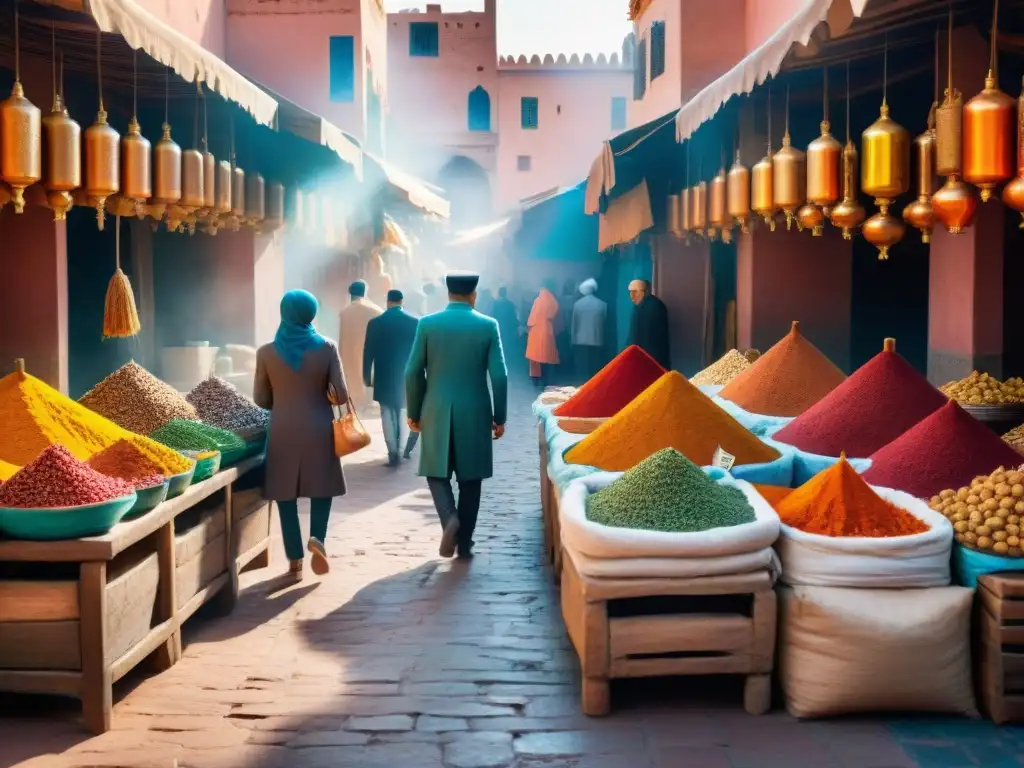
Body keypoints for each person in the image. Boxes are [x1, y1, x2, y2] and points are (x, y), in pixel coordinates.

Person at [405, 273, 508, 559]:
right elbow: (499, 376)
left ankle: (449, 518)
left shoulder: (427, 324)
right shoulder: (488, 326)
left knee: (436, 473)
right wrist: (500, 416)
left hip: (435, 409)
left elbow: (412, 371)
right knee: (470, 479)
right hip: (475, 410)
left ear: (448, 295)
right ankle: (464, 544)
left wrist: (414, 411)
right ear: (474, 295)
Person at [254, 290, 347, 582]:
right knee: (322, 488)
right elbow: (341, 395)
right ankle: (317, 538)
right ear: (312, 313)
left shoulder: (266, 352)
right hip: (320, 427)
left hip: (283, 429)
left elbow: (260, 398)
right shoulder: (327, 347)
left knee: (285, 495)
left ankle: (294, 561)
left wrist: (282, 399)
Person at [363, 289, 420, 467]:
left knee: (386, 412)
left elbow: (368, 353)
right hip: (407, 375)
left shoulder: (375, 323)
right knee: (404, 411)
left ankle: (393, 452)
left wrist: (366, 375)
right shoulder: (415, 322)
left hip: (383, 374)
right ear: (402, 302)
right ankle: (404, 448)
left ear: (387, 302)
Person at [338, 280, 382, 412]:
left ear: (350, 292)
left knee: (352, 382)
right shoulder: (376, 310)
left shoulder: (344, 312)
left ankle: (353, 407)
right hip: (370, 354)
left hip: (348, 353)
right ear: (365, 291)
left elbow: (342, 337)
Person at [627, 279, 670, 369]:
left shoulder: (641, 309)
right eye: (630, 292)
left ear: (646, 292)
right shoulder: (658, 304)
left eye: (635, 292)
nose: (632, 296)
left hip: (645, 360)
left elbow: (634, 337)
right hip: (657, 360)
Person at [525, 280, 560, 387]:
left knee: (535, 359)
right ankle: (548, 381)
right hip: (547, 331)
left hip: (535, 332)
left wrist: (528, 327)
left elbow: (531, 319)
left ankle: (536, 381)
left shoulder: (538, 300)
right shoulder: (553, 300)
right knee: (547, 358)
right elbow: (552, 314)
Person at [572, 278, 607, 383]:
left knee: (582, 365)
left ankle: (582, 384)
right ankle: (594, 384)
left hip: (580, 340)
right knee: (595, 365)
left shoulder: (577, 304)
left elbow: (575, 323)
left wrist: (573, 340)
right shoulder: (602, 304)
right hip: (597, 339)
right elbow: (604, 323)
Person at [491, 287, 520, 373]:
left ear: (499, 293)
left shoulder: (495, 304)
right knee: (507, 346)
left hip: (498, 328)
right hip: (508, 329)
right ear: (506, 293)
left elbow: (491, 316)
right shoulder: (510, 304)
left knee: (498, 345)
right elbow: (514, 317)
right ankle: (508, 362)